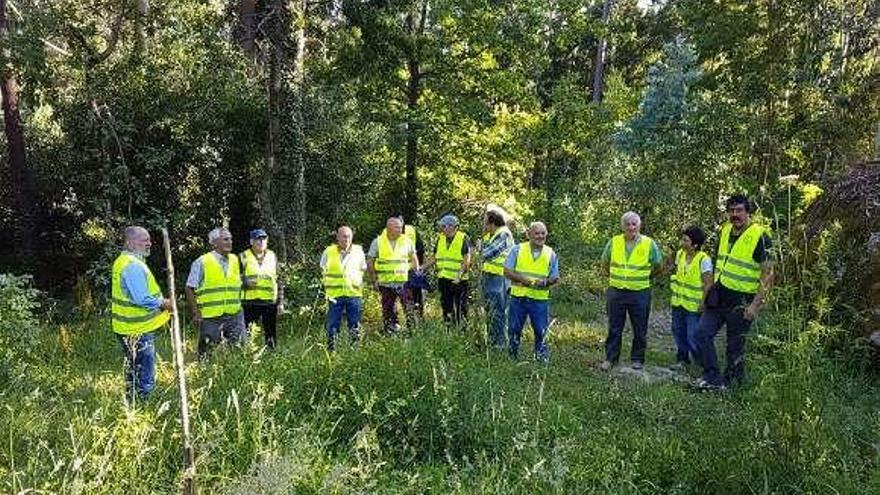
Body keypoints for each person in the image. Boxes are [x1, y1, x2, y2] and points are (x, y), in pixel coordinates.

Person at [696, 194, 774, 389]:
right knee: (701, 334)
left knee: (735, 346)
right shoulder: (725, 231)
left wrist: (755, 305)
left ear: (748, 212)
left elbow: (769, 274)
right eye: (731, 211)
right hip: (720, 295)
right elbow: (718, 264)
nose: (735, 214)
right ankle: (712, 376)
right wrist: (707, 295)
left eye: (739, 210)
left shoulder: (761, 236)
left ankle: (733, 385)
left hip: (742, 300)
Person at [110, 226, 172, 402]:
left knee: (133, 368)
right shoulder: (131, 265)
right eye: (144, 240)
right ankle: (144, 405)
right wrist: (165, 303)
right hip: (137, 329)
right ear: (129, 242)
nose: (149, 243)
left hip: (128, 327)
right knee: (144, 371)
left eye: (149, 240)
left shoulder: (126, 261)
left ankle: (132, 402)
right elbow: (141, 298)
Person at [600, 211, 663, 371]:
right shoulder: (613, 242)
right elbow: (604, 263)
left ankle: (637, 359)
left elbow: (658, 265)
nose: (631, 227)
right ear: (622, 226)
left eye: (634, 223)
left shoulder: (649, 244)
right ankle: (611, 358)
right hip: (616, 291)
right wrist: (614, 276)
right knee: (614, 327)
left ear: (639, 225)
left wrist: (647, 277)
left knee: (640, 328)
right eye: (627, 224)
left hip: (640, 292)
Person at [185, 227, 247, 358]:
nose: (230, 242)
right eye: (225, 239)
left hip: (234, 314)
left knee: (240, 351)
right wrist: (196, 313)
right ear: (214, 243)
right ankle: (204, 375)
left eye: (230, 239)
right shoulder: (202, 262)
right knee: (207, 353)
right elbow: (190, 288)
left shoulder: (235, 259)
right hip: (210, 317)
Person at [504, 221, 560, 362]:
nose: (540, 236)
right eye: (537, 233)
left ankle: (541, 359)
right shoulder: (517, 250)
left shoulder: (550, 253)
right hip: (518, 297)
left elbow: (555, 276)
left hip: (539, 299)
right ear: (529, 234)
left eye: (543, 233)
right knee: (514, 329)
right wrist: (524, 280)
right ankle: (512, 356)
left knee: (541, 331)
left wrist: (546, 282)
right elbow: (507, 271)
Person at [367, 216, 420, 334]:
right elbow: (370, 260)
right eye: (397, 227)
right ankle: (390, 331)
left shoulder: (407, 241)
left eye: (401, 227)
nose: (400, 230)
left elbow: (414, 260)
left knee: (409, 308)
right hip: (385, 283)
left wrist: (412, 271)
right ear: (389, 228)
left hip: (404, 282)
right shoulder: (378, 242)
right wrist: (373, 279)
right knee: (388, 309)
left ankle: (413, 332)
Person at [669, 226, 713, 367]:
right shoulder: (680, 254)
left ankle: (701, 363)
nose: (682, 242)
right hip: (678, 302)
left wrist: (703, 302)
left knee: (693, 336)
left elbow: (708, 283)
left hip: (693, 306)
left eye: (685, 240)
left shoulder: (704, 260)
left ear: (694, 244)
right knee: (678, 332)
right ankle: (682, 360)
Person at [320, 225, 367, 350]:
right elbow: (322, 269)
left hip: (353, 294)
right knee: (333, 325)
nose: (346, 239)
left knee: (354, 324)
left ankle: (355, 350)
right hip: (334, 295)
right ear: (337, 237)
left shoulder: (359, 251)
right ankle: (331, 352)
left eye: (349, 236)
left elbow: (363, 269)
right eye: (343, 236)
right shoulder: (328, 252)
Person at [422, 215, 472, 326]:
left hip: (458, 280)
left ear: (453, 227)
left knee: (461, 307)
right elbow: (435, 257)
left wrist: (459, 276)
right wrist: (422, 268)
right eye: (442, 226)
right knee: (446, 305)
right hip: (443, 279)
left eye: (444, 226)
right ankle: (448, 328)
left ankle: (461, 329)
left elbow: (466, 260)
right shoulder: (441, 238)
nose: (442, 228)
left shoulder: (463, 238)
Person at [240, 228, 282, 349]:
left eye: (264, 238)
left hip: (269, 302)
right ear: (251, 241)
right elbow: (233, 278)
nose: (261, 241)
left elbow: (279, 279)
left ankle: (271, 355)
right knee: (248, 332)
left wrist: (280, 301)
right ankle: (247, 354)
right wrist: (244, 282)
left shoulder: (272, 256)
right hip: (249, 302)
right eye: (258, 239)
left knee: (271, 332)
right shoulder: (243, 256)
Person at [480, 208, 514, 348]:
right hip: (491, 277)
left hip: (499, 278)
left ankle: (499, 344)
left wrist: (479, 248)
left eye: (485, 222)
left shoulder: (504, 234)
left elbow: (487, 253)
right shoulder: (492, 235)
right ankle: (493, 341)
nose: (483, 225)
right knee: (491, 311)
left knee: (498, 311)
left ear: (492, 222)